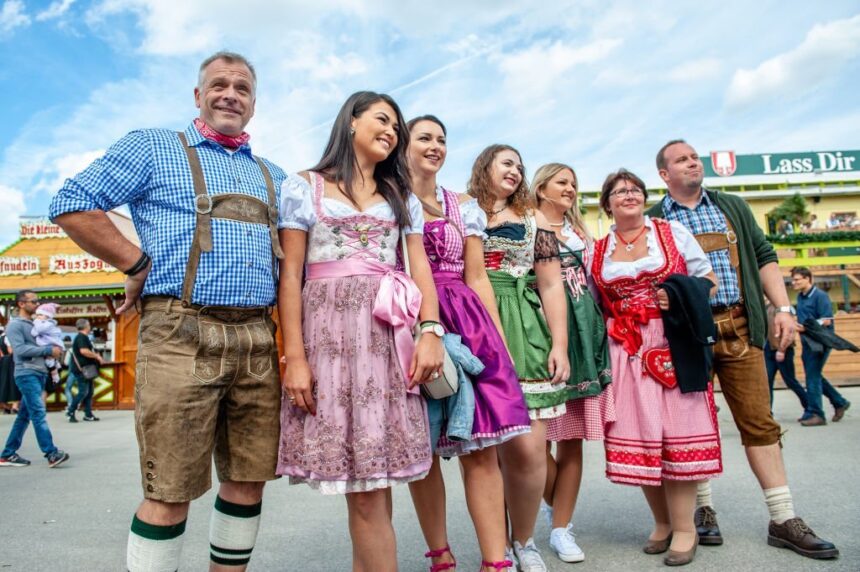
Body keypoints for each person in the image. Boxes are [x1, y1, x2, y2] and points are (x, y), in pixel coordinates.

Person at [51, 51, 284, 571]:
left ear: (254, 104)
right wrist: (136, 262)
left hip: (258, 339)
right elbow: (72, 202)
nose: (230, 94)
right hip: (180, 331)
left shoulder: (275, 175)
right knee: (170, 486)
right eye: (218, 84)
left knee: (248, 481)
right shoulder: (154, 147)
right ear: (197, 96)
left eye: (242, 88)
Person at [276, 92, 444, 572]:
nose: (392, 132)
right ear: (351, 122)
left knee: (374, 488)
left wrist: (430, 330)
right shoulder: (303, 186)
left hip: (387, 340)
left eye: (397, 128)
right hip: (328, 342)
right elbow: (291, 277)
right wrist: (296, 358)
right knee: (365, 491)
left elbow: (420, 268)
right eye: (382, 120)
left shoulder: (400, 194)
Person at [649, 140, 838, 559]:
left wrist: (783, 308)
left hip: (738, 325)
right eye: (682, 159)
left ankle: (783, 517)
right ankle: (703, 511)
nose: (693, 162)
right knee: (690, 425)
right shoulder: (654, 219)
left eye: (694, 156)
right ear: (665, 174)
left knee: (759, 421)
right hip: (685, 336)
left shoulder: (732, 206)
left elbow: (764, 254)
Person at [405, 115, 529, 572]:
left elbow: (476, 275)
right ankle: (440, 554)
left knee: (480, 447)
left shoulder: (463, 206)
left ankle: (495, 561)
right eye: (424, 138)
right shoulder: (389, 200)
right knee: (423, 451)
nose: (435, 146)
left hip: (467, 317)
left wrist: (497, 340)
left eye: (441, 139)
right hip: (410, 318)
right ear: (404, 145)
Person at [593, 169, 721, 566]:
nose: (628, 195)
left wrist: (675, 295)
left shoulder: (672, 233)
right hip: (626, 350)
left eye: (635, 189)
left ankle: (685, 528)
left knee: (677, 434)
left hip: (671, 344)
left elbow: (709, 282)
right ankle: (663, 522)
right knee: (642, 435)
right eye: (619, 191)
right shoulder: (597, 250)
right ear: (608, 203)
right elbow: (596, 303)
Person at [469, 144, 570, 572]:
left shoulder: (535, 220)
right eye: (507, 162)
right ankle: (497, 548)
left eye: (520, 166)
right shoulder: (460, 210)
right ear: (485, 166)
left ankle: (524, 539)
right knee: (485, 455)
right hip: (474, 325)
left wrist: (559, 344)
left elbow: (550, 285)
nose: (515, 170)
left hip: (525, 329)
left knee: (529, 451)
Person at [533, 163, 614, 564]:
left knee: (572, 438)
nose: (570, 189)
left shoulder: (583, 234)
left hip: (585, 335)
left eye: (574, 184)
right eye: (562, 182)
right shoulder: (527, 224)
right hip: (539, 331)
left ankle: (561, 526)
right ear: (541, 186)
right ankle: (550, 501)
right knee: (534, 441)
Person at [0, 290, 69, 468]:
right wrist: (48, 351)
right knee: (38, 413)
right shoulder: (15, 325)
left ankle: (7, 454)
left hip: (38, 372)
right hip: (26, 372)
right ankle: (51, 453)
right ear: (21, 304)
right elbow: (20, 350)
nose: (37, 304)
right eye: (33, 301)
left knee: (24, 416)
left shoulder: (36, 323)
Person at [790, 267, 851, 426]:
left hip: (820, 343)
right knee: (815, 375)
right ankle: (839, 402)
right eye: (793, 280)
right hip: (807, 343)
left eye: (797, 279)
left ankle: (816, 414)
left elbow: (826, 320)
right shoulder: (801, 297)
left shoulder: (820, 296)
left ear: (808, 279)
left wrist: (805, 328)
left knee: (812, 377)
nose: (794, 282)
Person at [764, 302, 808, 417]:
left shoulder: (781, 307)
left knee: (790, 381)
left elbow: (790, 331)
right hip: (769, 349)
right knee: (767, 382)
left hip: (782, 349)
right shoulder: (765, 308)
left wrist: (782, 349)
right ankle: (767, 412)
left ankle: (810, 406)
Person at [65, 319, 104, 423]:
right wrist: (97, 356)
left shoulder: (82, 337)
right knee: (83, 392)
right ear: (86, 326)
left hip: (87, 369)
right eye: (89, 325)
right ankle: (70, 411)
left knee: (89, 392)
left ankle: (88, 414)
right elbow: (84, 351)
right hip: (82, 369)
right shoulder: (81, 337)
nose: (90, 326)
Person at [0, 326, 21, 415]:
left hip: (3, 361)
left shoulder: (1, 337)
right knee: (14, 383)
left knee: (4, 383)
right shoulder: (9, 337)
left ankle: (5, 406)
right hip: (11, 361)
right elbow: (11, 351)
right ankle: (15, 406)